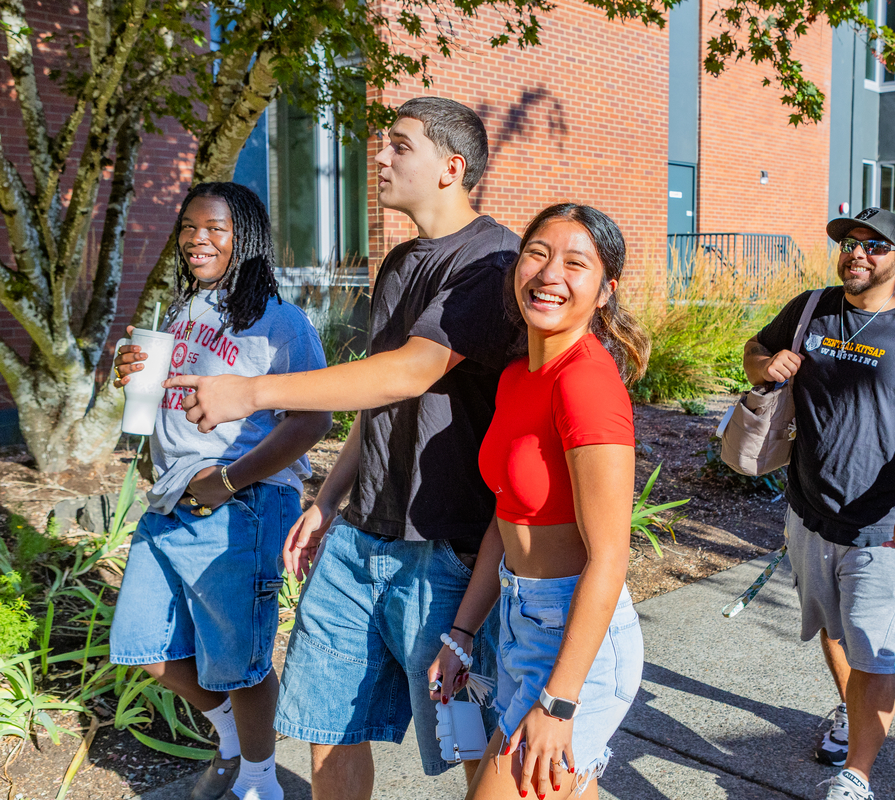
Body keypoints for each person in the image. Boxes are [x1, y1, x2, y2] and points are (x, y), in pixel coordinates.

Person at [164, 98, 520, 800]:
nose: (379, 158)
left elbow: (413, 369)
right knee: (329, 727)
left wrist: (254, 392)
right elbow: (374, 395)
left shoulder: (492, 260)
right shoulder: (396, 263)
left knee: (472, 737)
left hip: (445, 546)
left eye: (398, 146)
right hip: (360, 539)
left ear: (452, 168)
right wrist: (328, 502)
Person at [110, 182, 331, 800]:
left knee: (240, 659)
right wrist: (127, 374)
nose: (196, 240)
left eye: (215, 229)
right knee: (145, 647)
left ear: (247, 239)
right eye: (188, 228)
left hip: (242, 502)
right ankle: (235, 742)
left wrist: (228, 480)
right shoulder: (183, 311)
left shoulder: (280, 323)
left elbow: (316, 419)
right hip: (172, 497)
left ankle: (260, 782)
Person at [743, 207, 895, 800]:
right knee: (834, 628)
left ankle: (857, 776)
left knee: (875, 650)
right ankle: (851, 712)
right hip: (808, 512)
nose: (857, 254)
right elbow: (753, 349)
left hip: (885, 526)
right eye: (850, 244)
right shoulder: (812, 308)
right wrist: (767, 365)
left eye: (874, 246)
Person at [426, 203, 648, 800]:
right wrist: (462, 632)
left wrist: (559, 700)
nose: (550, 275)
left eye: (576, 263)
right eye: (537, 254)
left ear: (605, 292)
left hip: (578, 644)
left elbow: (609, 557)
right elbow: (508, 514)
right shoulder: (518, 375)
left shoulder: (587, 382)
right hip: (522, 624)